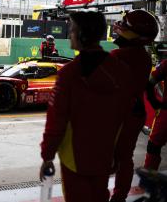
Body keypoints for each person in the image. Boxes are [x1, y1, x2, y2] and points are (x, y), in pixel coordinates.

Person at [40, 11, 134, 202]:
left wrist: (47, 156)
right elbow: (126, 117)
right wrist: (119, 153)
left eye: (72, 30)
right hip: (105, 155)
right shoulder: (121, 70)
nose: (69, 34)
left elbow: (56, 121)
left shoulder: (69, 74)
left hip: (74, 159)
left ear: (82, 35)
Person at [109, 9, 159, 202]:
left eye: (125, 25)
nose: (120, 27)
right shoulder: (145, 57)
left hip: (119, 114)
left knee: (103, 156)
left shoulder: (117, 55)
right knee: (125, 158)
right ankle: (119, 197)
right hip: (136, 112)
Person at [144, 59, 167, 171]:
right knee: (153, 146)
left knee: (153, 146)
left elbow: (149, 83)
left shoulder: (166, 64)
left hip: (165, 114)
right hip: (165, 113)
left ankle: (149, 179)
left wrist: (154, 102)